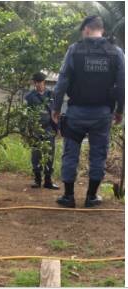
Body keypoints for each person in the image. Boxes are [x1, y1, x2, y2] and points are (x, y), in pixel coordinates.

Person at [52, 15, 125, 208]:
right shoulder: (116, 52)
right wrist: (120, 110)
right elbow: (123, 85)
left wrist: (56, 108)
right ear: (101, 29)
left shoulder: (75, 50)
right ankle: (91, 197)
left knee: (70, 153)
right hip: (102, 114)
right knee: (98, 154)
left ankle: (68, 197)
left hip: (76, 113)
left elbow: (62, 83)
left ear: (86, 30)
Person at [25, 72, 59, 190]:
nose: (39, 85)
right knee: (36, 154)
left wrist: (58, 127)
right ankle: (37, 179)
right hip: (36, 128)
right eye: (36, 83)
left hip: (49, 128)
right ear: (34, 83)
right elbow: (28, 114)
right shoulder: (30, 97)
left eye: (41, 82)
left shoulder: (51, 94)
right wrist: (29, 130)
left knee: (50, 153)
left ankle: (48, 181)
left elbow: (56, 111)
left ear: (44, 82)